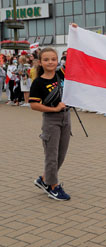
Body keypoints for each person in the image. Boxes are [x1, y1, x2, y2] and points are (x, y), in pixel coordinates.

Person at [29, 47, 71, 201]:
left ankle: (43, 179)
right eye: (46, 59)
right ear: (40, 62)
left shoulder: (61, 74)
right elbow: (33, 105)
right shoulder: (38, 82)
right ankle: (53, 186)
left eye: (53, 59)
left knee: (61, 154)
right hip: (51, 120)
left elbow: (76, 61)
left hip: (66, 118)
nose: (50, 62)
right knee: (51, 156)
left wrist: (75, 33)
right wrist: (53, 109)